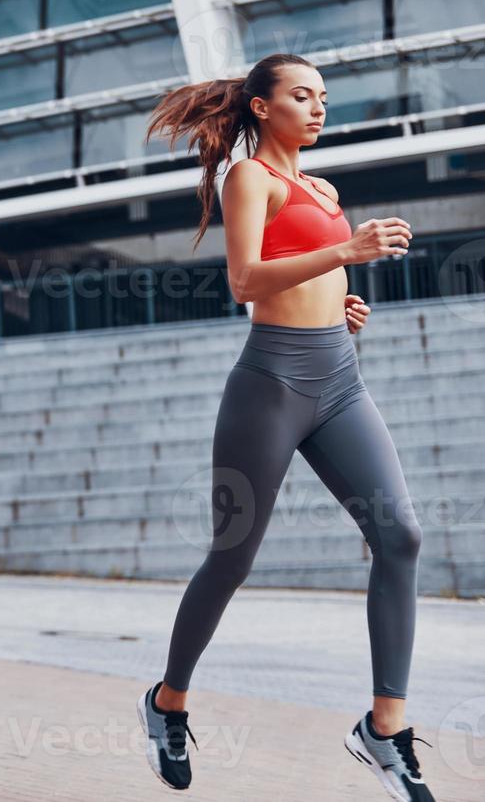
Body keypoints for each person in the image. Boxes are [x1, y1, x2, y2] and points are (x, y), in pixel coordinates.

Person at [137, 54, 430, 800]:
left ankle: (384, 729)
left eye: (322, 96)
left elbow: (311, 273)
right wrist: (347, 251)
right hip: (268, 386)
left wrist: (341, 301)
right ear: (263, 108)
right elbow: (243, 280)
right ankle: (167, 702)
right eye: (300, 96)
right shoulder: (249, 179)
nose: (317, 107)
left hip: (338, 379)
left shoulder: (321, 188)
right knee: (231, 558)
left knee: (398, 534)